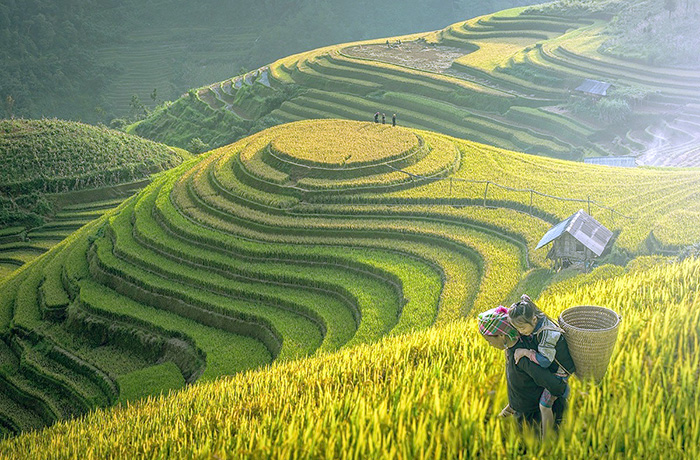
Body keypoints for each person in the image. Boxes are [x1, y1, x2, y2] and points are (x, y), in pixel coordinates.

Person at [477, 306, 569, 431]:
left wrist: (558, 394)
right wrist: (512, 406)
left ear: (502, 336)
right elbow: (522, 384)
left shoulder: (521, 358)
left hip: (532, 420)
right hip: (520, 411)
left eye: (489, 340)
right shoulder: (510, 350)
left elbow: (554, 385)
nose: (489, 344)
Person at [508, 295, 576, 438]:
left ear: (533, 320)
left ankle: (547, 438)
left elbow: (545, 361)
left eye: (522, 327)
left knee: (544, 406)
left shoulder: (547, 334)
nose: (520, 331)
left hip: (560, 372)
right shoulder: (535, 320)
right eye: (517, 328)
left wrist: (526, 352)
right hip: (552, 365)